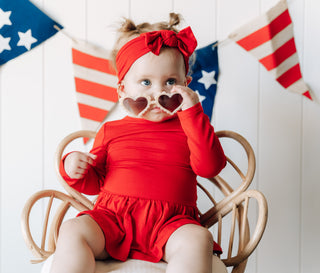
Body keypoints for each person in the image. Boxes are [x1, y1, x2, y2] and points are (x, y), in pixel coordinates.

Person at [50, 13, 227, 273]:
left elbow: (210, 167)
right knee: (73, 229)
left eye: (170, 82)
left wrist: (193, 114)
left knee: (199, 238)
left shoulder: (190, 127)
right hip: (113, 221)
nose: (158, 92)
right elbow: (96, 181)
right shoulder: (111, 130)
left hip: (171, 225)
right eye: (145, 82)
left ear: (186, 85)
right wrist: (74, 168)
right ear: (122, 90)